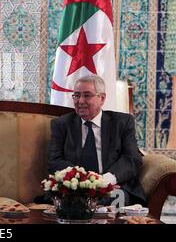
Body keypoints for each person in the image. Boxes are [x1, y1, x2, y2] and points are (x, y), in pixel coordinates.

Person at [47, 74, 146, 206]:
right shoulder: (61, 125)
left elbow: (132, 158)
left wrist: (107, 181)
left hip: (113, 186)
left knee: (114, 198)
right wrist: (86, 183)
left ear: (102, 98)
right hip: (75, 189)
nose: (80, 101)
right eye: (76, 95)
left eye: (87, 95)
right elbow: (54, 161)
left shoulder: (121, 122)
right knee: (73, 202)